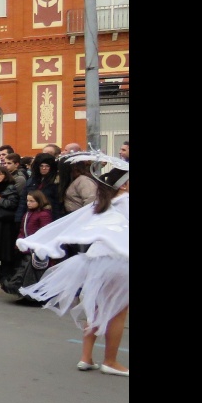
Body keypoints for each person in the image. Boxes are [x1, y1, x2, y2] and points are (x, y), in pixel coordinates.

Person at [17, 152, 130, 375]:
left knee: (97, 309)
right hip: (119, 261)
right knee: (117, 311)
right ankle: (110, 361)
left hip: (97, 261)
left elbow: (68, 225)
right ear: (124, 186)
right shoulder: (125, 202)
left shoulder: (102, 204)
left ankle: (86, 357)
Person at [2, 189, 56, 299]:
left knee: (33, 274)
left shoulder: (44, 214)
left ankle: (34, 295)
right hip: (27, 248)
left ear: (39, 201)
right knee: (25, 273)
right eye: (27, 201)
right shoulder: (28, 213)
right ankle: (26, 294)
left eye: (32, 201)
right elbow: (23, 230)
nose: (28, 203)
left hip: (36, 249)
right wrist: (20, 241)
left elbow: (45, 232)